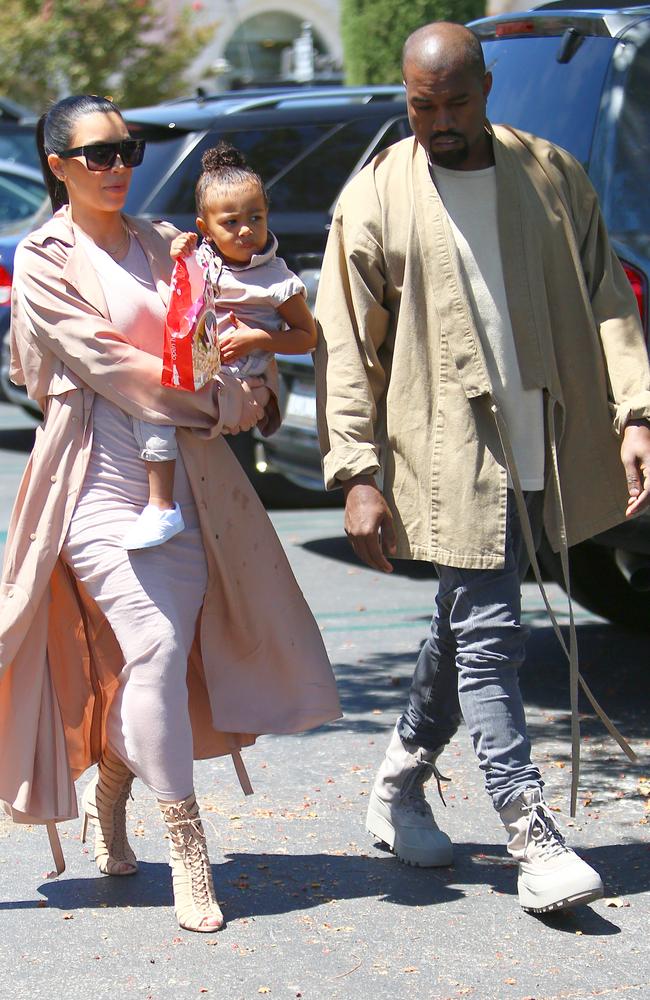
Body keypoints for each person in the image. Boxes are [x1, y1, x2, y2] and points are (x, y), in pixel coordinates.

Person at [314, 22, 650, 915]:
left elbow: (608, 296)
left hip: (543, 435)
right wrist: (356, 472)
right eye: (422, 106)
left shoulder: (548, 173)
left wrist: (634, 412)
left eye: (456, 102)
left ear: (488, 87)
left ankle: (397, 780)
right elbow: (345, 347)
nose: (440, 121)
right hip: (442, 448)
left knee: (462, 624)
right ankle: (527, 825)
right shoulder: (376, 196)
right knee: (493, 629)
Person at [0, 95, 340, 933]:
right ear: (57, 165)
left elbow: (237, 333)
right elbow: (114, 366)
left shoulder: (171, 242)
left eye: (128, 150)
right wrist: (219, 401)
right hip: (90, 481)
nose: (117, 167)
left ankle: (114, 783)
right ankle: (189, 848)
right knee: (151, 644)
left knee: (165, 657)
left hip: (184, 484)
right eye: (97, 154)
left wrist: (242, 387)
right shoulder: (43, 257)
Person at [123, 141, 318, 551]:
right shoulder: (204, 259)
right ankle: (165, 503)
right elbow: (176, 284)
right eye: (231, 222)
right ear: (205, 226)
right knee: (149, 403)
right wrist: (178, 251)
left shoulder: (277, 280)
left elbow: (307, 335)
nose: (246, 230)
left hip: (246, 384)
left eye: (256, 218)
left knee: (160, 409)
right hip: (204, 373)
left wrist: (259, 338)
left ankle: (165, 506)